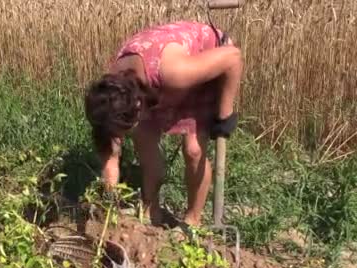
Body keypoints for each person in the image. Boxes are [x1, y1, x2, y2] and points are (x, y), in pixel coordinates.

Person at [84, 21, 243, 227]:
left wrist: (225, 114)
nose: (122, 137)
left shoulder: (176, 72)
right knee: (146, 146)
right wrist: (108, 208)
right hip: (152, 83)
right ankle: (150, 209)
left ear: (139, 107)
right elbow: (110, 157)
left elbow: (233, 57)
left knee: (193, 150)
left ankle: (192, 221)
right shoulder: (109, 99)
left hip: (201, 62)